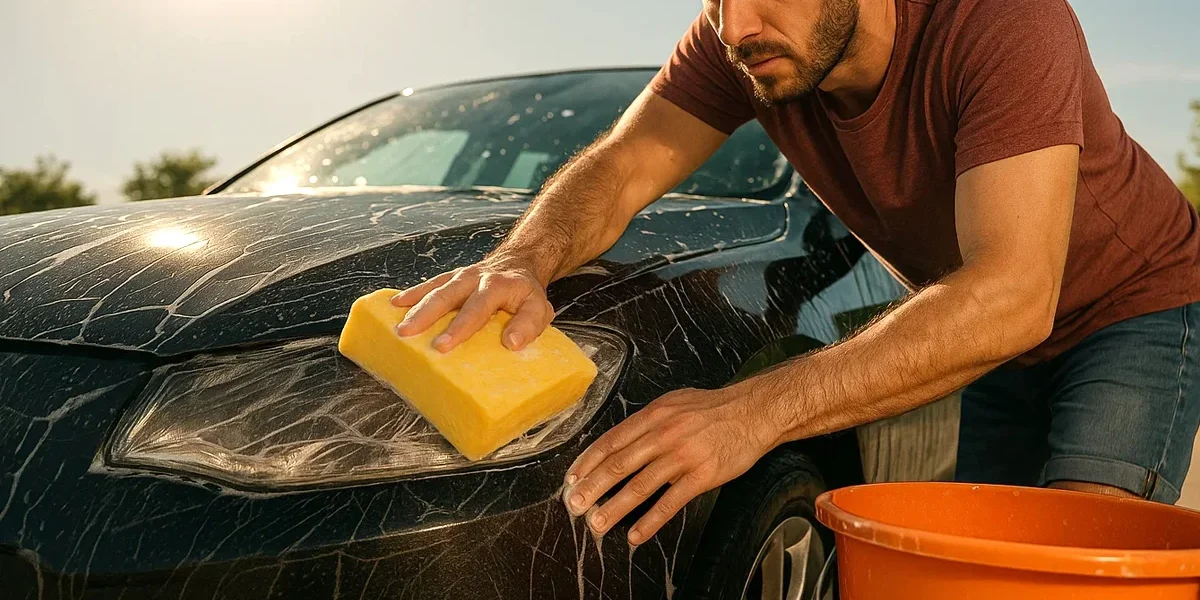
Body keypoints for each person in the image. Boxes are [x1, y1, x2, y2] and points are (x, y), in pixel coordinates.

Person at [391, 0, 1200, 546]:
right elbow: (628, 160)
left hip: (1133, 306)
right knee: (989, 560)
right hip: (987, 331)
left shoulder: (1000, 21)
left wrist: (748, 413)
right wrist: (522, 261)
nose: (737, 25)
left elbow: (1017, 295)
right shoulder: (739, 36)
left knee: (1076, 554)